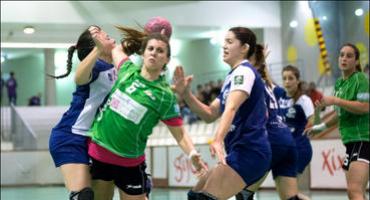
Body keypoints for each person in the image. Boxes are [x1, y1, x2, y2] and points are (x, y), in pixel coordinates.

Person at [88, 32, 208, 200]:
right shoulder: (126, 70)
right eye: (150, 48)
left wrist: (192, 153)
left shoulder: (164, 96)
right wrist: (147, 33)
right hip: (100, 152)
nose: (153, 52)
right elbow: (116, 49)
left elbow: (179, 133)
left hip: (129, 162)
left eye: (160, 50)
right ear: (143, 53)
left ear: (166, 59)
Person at [172, 27, 271, 200]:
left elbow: (231, 107)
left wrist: (217, 140)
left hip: (251, 151)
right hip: (239, 152)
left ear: (244, 48)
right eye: (224, 42)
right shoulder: (231, 76)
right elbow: (210, 114)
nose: (224, 46)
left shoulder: (244, 72)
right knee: (194, 196)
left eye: (230, 42)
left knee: (205, 198)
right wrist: (185, 94)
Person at [48, 25, 116, 200]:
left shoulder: (118, 67)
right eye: (98, 36)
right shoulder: (96, 67)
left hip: (99, 141)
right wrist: (97, 50)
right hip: (71, 137)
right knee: (83, 196)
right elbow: (79, 78)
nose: (104, 34)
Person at [235, 44, 303, 200]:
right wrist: (262, 61)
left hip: (271, 141)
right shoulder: (270, 87)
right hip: (287, 142)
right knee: (291, 198)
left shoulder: (248, 82)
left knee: (243, 194)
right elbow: (268, 79)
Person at [305, 43, 369, 200]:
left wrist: (336, 100)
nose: (344, 58)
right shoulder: (339, 84)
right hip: (350, 142)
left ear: (356, 61)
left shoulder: (360, 79)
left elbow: (365, 107)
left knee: (354, 191)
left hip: (363, 139)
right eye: (341, 55)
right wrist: (320, 126)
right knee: (357, 192)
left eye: (349, 56)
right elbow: (340, 114)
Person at [274, 65, 315, 180]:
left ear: (297, 80)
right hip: (285, 149)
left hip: (299, 149)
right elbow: (268, 80)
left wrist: (309, 129)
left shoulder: (304, 100)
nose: (287, 81)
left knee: (288, 191)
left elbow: (311, 121)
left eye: (291, 78)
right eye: (284, 78)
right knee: (287, 194)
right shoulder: (280, 95)